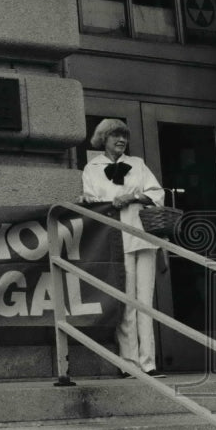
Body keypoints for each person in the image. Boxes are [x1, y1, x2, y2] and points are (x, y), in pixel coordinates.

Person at [80, 119, 166, 378]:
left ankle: (148, 363)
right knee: (127, 302)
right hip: (116, 239)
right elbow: (92, 200)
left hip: (142, 237)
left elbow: (156, 193)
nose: (121, 141)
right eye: (115, 136)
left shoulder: (137, 164)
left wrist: (134, 196)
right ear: (103, 139)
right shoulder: (92, 168)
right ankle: (128, 364)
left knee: (145, 303)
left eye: (124, 137)